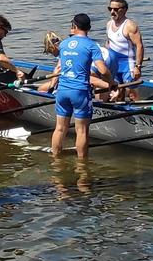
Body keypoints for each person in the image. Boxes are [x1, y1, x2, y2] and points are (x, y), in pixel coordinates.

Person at [47, 13, 113, 158]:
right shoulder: (92, 46)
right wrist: (111, 82)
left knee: (59, 128)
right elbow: (102, 70)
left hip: (62, 90)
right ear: (88, 28)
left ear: (74, 26)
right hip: (80, 92)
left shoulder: (63, 44)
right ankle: (82, 164)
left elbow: (58, 60)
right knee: (82, 130)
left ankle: (55, 159)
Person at [104, 0, 144, 100]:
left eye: (116, 9)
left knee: (131, 93)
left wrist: (138, 66)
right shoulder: (109, 24)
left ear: (125, 10)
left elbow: (139, 46)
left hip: (128, 64)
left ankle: (139, 112)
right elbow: (108, 43)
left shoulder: (130, 26)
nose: (112, 12)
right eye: (110, 9)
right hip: (114, 64)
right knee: (117, 92)